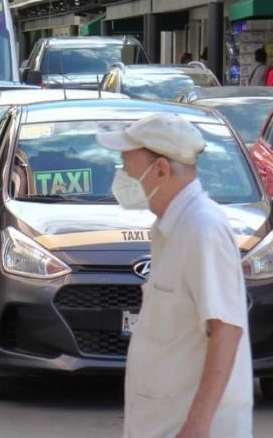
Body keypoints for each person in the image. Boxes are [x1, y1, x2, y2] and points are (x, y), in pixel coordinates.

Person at [96, 113, 252, 437]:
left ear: (162, 170)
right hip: (163, 422)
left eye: (127, 163)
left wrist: (196, 426)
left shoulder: (202, 228)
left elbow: (226, 330)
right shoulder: (171, 227)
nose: (121, 174)